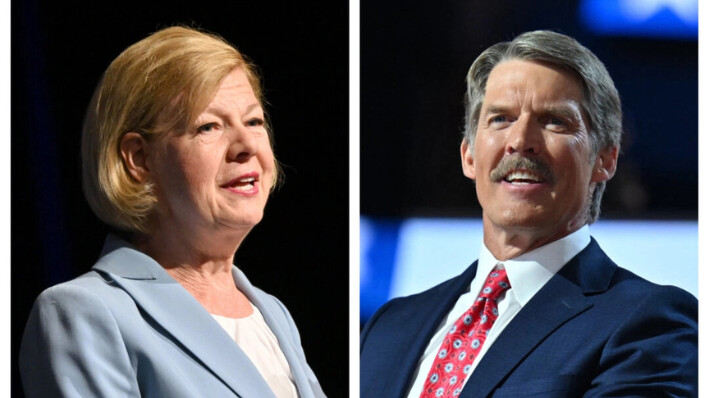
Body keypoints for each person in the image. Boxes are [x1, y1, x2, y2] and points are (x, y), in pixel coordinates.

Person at [360, 30, 697, 397]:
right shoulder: (387, 328)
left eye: (554, 121)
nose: (521, 141)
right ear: (469, 156)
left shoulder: (650, 323)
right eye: (501, 119)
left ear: (605, 159)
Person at [20, 26, 326, 398]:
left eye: (254, 121)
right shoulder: (85, 313)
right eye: (209, 126)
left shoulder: (272, 314)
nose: (246, 145)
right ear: (139, 159)